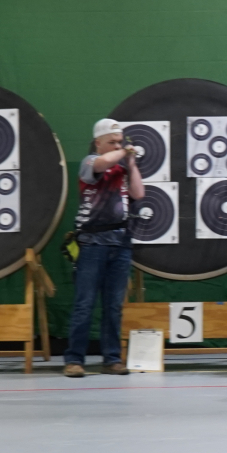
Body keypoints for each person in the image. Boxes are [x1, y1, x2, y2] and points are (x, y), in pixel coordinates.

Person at [64, 118, 144, 377]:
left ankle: (112, 358)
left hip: (120, 243)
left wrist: (131, 163)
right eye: (112, 142)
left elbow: (138, 193)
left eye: (120, 142)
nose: (118, 146)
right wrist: (125, 151)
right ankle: (74, 359)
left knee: (114, 305)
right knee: (84, 303)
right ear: (98, 143)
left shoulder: (122, 168)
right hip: (93, 243)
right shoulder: (90, 163)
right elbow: (101, 164)